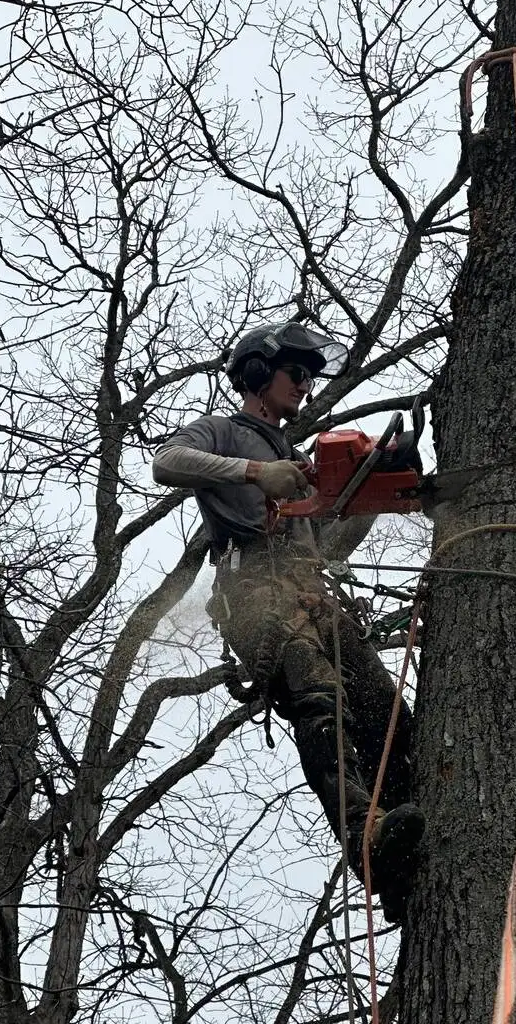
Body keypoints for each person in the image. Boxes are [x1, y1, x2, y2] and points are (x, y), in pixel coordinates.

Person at [151, 321, 424, 921]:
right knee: (320, 695)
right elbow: (166, 461)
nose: (304, 384)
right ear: (256, 374)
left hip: (313, 592)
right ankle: (364, 838)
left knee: (390, 716)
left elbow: (327, 544)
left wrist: (375, 485)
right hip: (255, 592)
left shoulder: (295, 457)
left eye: (309, 376)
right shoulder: (223, 432)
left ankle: (408, 849)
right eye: (294, 373)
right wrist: (251, 474)